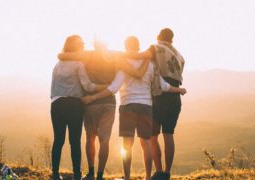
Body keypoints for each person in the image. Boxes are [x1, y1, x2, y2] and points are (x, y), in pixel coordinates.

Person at [82, 36, 186, 180]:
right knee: (146, 143)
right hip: (146, 106)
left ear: (126, 47)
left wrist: (93, 97)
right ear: (138, 46)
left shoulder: (123, 63)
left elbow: (114, 88)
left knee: (127, 144)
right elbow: (163, 86)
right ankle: (148, 177)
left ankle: (127, 177)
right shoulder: (150, 64)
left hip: (128, 106)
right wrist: (179, 90)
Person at [58, 41, 149, 180]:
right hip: (108, 103)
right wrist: (148, 55)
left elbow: (64, 56)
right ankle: (100, 175)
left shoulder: (86, 56)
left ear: (94, 45)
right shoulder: (115, 57)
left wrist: (61, 54)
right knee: (104, 140)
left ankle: (91, 173)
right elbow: (122, 77)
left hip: (90, 102)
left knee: (90, 137)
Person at [128, 28, 186, 180]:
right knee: (169, 134)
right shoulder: (179, 55)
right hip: (174, 98)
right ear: (172, 39)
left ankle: (158, 171)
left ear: (158, 37)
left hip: (159, 97)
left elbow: (140, 56)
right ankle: (167, 173)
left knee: (153, 136)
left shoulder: (156, 48)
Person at [50, 35, 106, 180]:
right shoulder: (79, 64)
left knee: (58, 140)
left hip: (56, 104)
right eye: (81, 44)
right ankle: (77, 175)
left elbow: (53, 87)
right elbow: (88, 85)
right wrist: (105, 87)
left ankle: (55, 174)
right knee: (74, 141)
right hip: (74, 104)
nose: (83, 46)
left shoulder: (57, 64)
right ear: (77, 47)